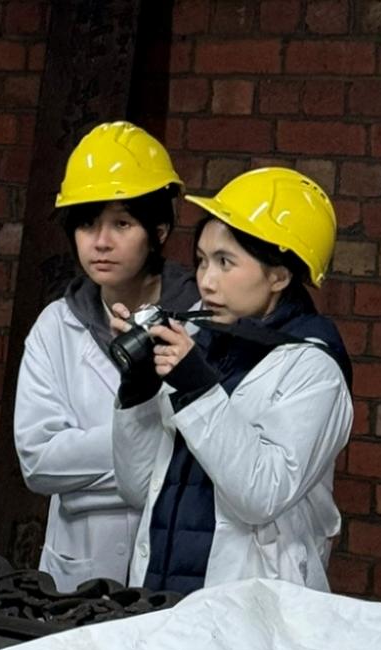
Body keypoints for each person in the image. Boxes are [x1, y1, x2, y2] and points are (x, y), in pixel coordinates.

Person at [111, 167, 353, 594]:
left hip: (252, 615)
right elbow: (138, 488)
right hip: (158, 599)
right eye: (203, 260)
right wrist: (138, 390)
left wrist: (197, 390)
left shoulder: (315, 369)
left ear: (279, 275)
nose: (205, 281)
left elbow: (262, 494)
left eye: (226, 262)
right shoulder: (201, 341)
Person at [13, 121, 197, 592]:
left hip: (175, 560)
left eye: (121, 223)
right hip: (80, 564)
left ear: (157, 230)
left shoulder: (199, 318)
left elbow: (208, 461)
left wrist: (85, 472)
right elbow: (38, 462)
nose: (100, 241)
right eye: (88, 222)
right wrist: (152, 445)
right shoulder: (56, 326)